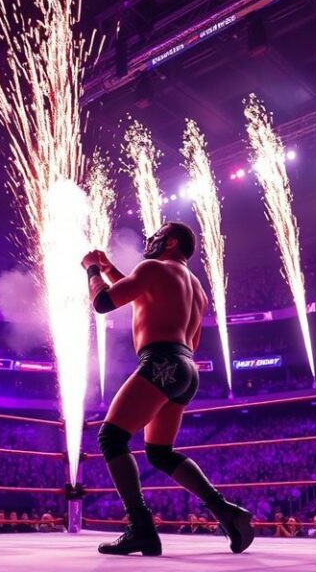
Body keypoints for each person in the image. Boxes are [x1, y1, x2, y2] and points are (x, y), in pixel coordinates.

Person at [82, 222, 253, 557]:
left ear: (171, 242)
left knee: (111, 437)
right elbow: (145, 297)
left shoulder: (152, 269)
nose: (150, 240)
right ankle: (226, 512)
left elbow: (102, 302)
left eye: (157, 235)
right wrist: (109, 268)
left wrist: (91, 268)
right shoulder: (196, 289)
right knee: (160, 452)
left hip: (160, 361)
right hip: (186, 368)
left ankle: (140, 528)